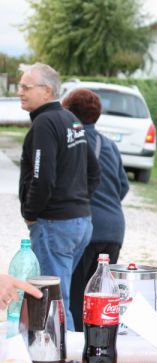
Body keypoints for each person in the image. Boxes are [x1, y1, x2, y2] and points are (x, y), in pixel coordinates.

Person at [18, 63, 100, 331]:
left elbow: (43, 178)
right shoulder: (71, 120)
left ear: (47, 90)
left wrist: (31, 214)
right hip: (80, 223)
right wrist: (79, 204)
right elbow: (93, 172)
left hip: (54, 224)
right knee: (59, 294)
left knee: (55, 300)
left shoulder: (45, 123)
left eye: (26, 87)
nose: (20, 92)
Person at [62, 88, 130, 332]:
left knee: (78, 294)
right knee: (101, 296)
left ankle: (78, 350)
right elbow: (123, 186)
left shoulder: (72, 140)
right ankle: (99, 344)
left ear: (68, 112)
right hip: (114, 230)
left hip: (87, 228)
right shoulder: (108, 144)